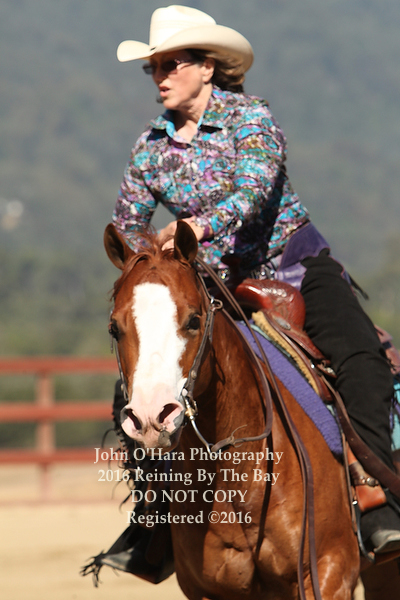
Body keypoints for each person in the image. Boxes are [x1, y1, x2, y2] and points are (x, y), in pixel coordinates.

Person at [112, 5, 400, 557]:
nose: (161, 76)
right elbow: (127, 224)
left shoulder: (251, 119)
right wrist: (143, 260)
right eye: (154, 67)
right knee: (136, 377)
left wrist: (195, 227)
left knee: (361, 358)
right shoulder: (149, 149)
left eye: (172, 64)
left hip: (293, 267)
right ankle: (155, 513)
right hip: (211, 288)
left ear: (207, 67)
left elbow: (253, 190)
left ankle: (377, 498)